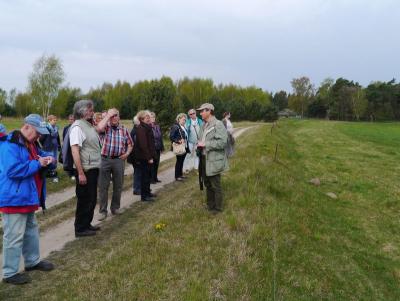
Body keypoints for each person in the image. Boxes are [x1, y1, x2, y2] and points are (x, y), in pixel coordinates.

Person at [0, 114, 55, 285]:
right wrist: (39, 164)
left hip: (28, 197)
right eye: (37, 132)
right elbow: (13, 170)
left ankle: (32, 262)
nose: (39, 136)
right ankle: (9, 273)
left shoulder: (30, 143)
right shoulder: (10, 145)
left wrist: (49, 158)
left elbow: (41, 155)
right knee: (14, 236)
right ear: (27, 127)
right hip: (14, 198)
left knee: (31, 231)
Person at [69, 100, 118, 237]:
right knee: (84, 199)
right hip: (85, 169)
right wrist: (80, 173)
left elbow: (100, 128)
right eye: (90, 110)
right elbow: (75, 151)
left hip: (93, 168)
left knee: (91, 198)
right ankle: (80, 229)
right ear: (83, 112)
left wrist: (108, 116)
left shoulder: (88, 125)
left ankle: (86, 224)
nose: (92, 112)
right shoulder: (77, 127)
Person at [98, 110, 133, 221]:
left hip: (119, 160)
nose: (113, 118)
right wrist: (107, 116)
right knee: (103, 187)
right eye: (112, 116)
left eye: (115, 116)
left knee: (118, 185)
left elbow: (130, 144)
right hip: (105, 160)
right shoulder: (105, 128)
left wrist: (127, 154)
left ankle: (115, 208)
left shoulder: (123, 129)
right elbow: (99, 128)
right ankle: (103, 211)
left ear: (119, 117)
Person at [197, 103, 228, 213]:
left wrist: (206, 144)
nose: (200, 113)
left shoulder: (218, 124)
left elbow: (223, 142)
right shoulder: (203, 125)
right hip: (204, 159)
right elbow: (201, 140)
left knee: (216, 185)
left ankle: (218, 208)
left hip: (214, 160)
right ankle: (210, 205)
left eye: (202, 111)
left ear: (209, 111)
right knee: (207, 184)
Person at [134, 110, 156, 202]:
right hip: (144, 157)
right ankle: (144, 196)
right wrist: (149, 158)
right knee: (145, 177)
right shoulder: (141, 128)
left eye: (148, 117)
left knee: (148, 176)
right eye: (146, 117)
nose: (148, 118)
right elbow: (143, 145)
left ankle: (148, 192)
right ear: (141, 119)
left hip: (148, 156)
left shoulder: (147, 127)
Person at [39, 115, 61, 183]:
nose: (55, 121)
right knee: (48, 162)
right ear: (49, 121)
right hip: (47, 148)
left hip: (54, 147)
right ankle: (47, 175)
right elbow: (41, 139)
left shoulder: (56, 128)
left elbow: (58, 138)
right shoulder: (46, 129)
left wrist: (59, 145)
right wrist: (45, 145)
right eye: (54, 120)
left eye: (56, 120)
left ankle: (53, 175)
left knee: (54, 161)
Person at [170, 113, 189, 181]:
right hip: (179, 146)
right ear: (179, 119)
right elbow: (171, 137)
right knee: (179, 161)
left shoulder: (182, 126)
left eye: (185, 120)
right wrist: (178, 141)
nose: (184, 121)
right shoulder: (175, 126)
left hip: (184, 146)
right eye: (183, 119)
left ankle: (180, 174)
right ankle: (177, 176)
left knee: (181, 161)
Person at [183, 108, 203, 173]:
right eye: (190, 114)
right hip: (190, 141)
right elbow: (185, 131)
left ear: (195, 113)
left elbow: (203, 130)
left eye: (193, 113)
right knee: (188, 155)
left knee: (197, 154)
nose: (192, 115)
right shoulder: (188, 122)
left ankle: (196, 167)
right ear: (189, 115)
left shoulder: (200, 121)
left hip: (198, 141)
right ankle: (186, 168)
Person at [150, 112, 164, 184]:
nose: (153, 118)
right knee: (152, 164)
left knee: (156, 163)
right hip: (152, 148)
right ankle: (151, 179)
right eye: (151, 117)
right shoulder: (148, 127)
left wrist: (162, 147)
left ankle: (155, 178)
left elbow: (160, 137)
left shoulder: (157, 126)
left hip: (158, 147)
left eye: (154, 117)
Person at [62, 114, 76, 180]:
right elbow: (64, 137)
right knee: (69, 160)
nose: (71, 121)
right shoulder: (66, 128)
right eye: (70, 119)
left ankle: (75, 172)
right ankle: (70, 173)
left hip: (74, 146)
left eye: (72, 119)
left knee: (75, 160)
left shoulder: (76, 128)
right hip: (68, 146)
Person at [130, 116, 141, 195]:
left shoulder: (137, 130)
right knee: (137, 172)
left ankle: (139, 187)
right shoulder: (135, 132)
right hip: (136, 157)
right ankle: (136, 189)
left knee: (138, 172)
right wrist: (137, 159)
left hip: (136, 156)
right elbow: (135, 147)